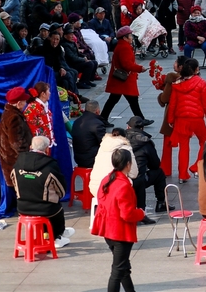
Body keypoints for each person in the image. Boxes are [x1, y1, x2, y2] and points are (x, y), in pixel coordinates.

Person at [91, 148, 145, 292]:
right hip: (120, 233)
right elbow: (127, 214)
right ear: (128, 164)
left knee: (123, 267)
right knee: (118, 270)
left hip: (108, 230)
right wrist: (140, 213)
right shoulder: (123, 185)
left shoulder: (107, 179)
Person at [11, 136, 73, 248]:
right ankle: (56, 235)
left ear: (30, 147)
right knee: (57, 209)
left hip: (22, 207)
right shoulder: (50, 165)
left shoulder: (18, 162)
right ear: (47, 149)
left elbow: (13, 181)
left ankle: (48, 235)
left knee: (51, 207)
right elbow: (61, 190)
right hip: (46, 209)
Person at [168, 58, 206, 183]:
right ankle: (196, 166)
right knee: (204, 142)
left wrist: (171, 119)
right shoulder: (201, 83)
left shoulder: (177, 84)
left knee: (184, 146)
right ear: (196, 69)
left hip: (181, 118)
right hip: (197, 118)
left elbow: (173, 104)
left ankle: (182, 174)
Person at [101, 26, 150, 123]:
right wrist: (139, 68)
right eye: (130, 35)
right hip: (123, 80)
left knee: (116, 99)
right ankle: (140, 119)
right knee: (131, 99)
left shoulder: (122, 46)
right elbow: (127, 64)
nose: (131, 37)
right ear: (124, 37)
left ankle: (103, 118)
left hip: (120, 79)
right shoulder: (124, 47)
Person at [125, 116, 168, 220]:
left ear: (128, 127)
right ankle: (161, 203)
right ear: (142, 128)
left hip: (120, 179)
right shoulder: (146, 143)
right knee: (159, 173)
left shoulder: (120, 140)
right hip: (138, 180)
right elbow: (155, 164)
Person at [72, 99, 109, 169]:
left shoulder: (77, 122)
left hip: (78, 158)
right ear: (97, 111)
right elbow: (104, 142)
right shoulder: (97, 124)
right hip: (92, 159)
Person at [181, 5, 206, 70]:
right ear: (191, 13)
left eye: (198, 13)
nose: (196, 14)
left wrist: (203, 38)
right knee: (187, 47)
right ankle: (188, 65)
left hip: (204, 40)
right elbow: (187, 33)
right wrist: (197, 37)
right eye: (194, 13)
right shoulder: (188, 22)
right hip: (193, 40)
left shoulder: (205, 21)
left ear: (200, 13)